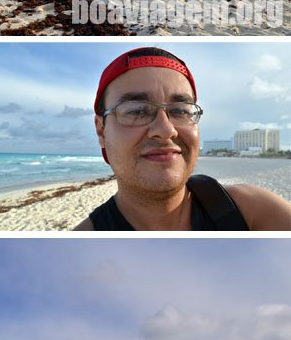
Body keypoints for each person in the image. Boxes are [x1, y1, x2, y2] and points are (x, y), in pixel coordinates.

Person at [73, 47, 291, 231]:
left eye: (180, 111)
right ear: (101, 131)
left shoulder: (252, 212)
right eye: (137, 110)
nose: (166, 130)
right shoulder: (80, 246)